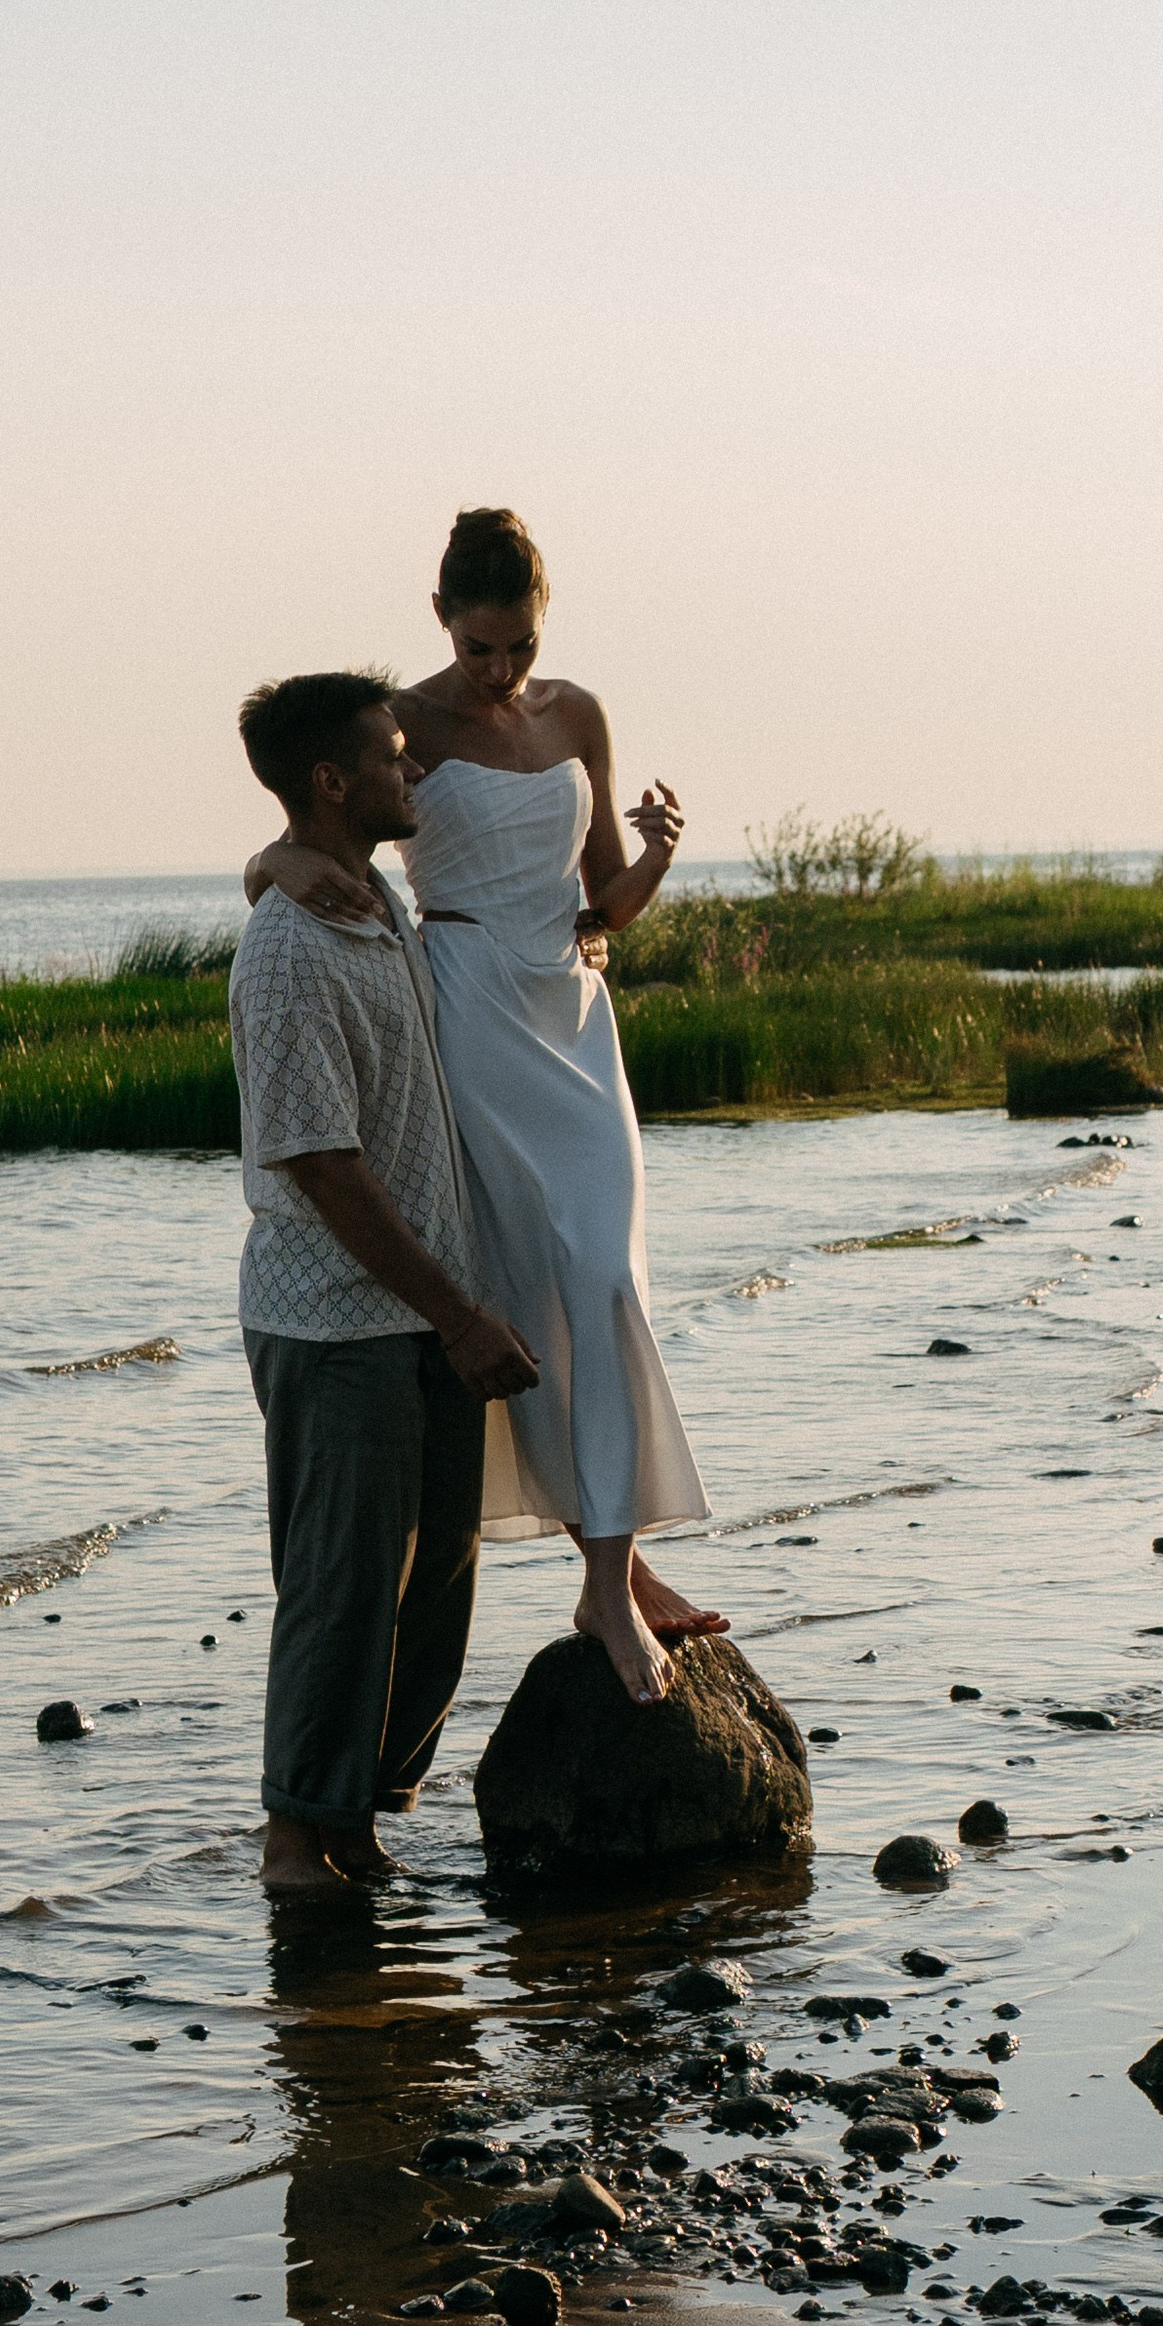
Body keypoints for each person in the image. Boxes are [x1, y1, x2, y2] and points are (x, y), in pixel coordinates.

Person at [244, 506, 714, 1706]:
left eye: (519, 646)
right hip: (465, 1010)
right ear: (443, 617)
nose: (500, 672)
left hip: (572, 1011)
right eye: (481, 646)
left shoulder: (579, 716)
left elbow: (601, 897)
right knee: (533, 1290)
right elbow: (306, 826)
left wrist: (658, 855)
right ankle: (607, 1576)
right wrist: (271, 867)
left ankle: (616, 1568)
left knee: (608, 1279)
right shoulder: (401, 720)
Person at [228, 669, 541, 1896]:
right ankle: (297, 1843)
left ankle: (361, 1822)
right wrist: (461, 1315)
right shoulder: (290, 946)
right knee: (343, 1591)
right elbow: (318, 1163)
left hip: (419, 1313)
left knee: (436, 1585)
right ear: (330, 780)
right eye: (393, 757)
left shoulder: (368, 908)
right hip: (335, 1321)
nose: (413, 773)